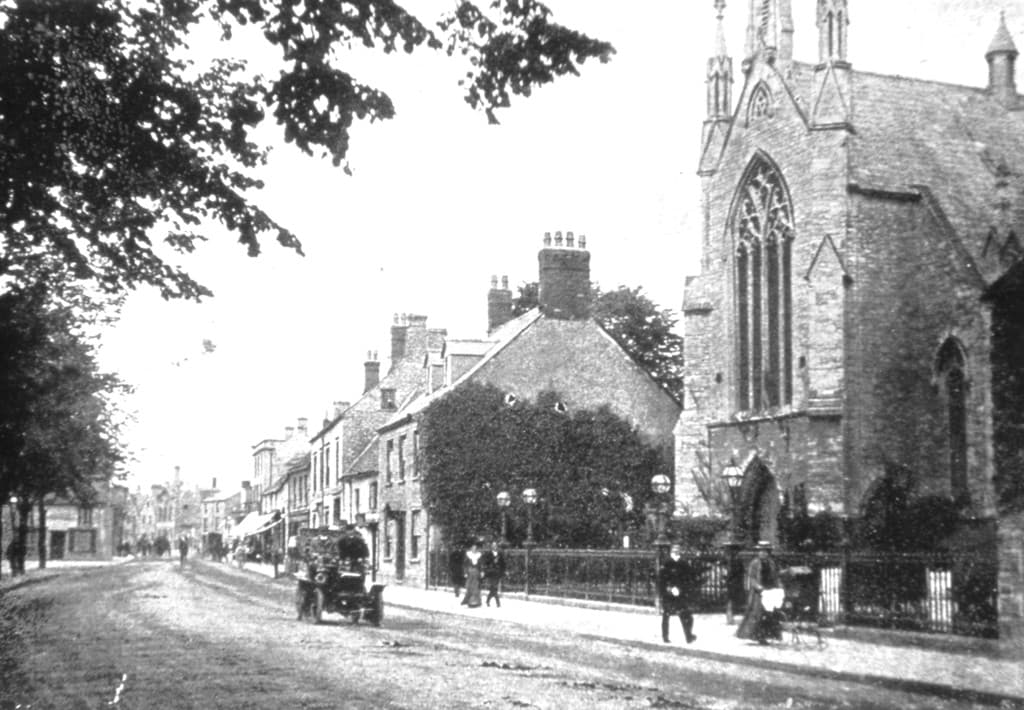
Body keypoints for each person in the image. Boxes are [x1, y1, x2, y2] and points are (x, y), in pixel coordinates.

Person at [736, 540, 782, 644]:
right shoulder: (755, 563)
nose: (763, 553)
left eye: (765, 551)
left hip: (770, 590)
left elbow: (775, 576)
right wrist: (759, 587)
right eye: (761, 551)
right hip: (759, 593)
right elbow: (752, 578)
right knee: (758, 614)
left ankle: (767, 635)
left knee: (770, 613)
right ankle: (757, 636)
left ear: (768, 552)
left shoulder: (771, 563)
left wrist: (778, 586)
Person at [658, 543, 698, 643]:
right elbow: (661, 579)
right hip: (668, 593)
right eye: (675, 549)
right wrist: (667, 589)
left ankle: (688, 636)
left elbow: (688, 578)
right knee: (666, 615)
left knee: (685, 615)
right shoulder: (666, 562)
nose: (676, 550)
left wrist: (682, 589)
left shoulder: (683, 563)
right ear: (671, 550)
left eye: (678, 549)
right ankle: (665, 637)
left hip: (680, 592)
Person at [481, 541, 506, 608]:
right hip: (491, 572)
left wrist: (503, 571)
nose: (495, 547)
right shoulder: (489, 554)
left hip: (497, 573)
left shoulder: (500, 554)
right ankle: (498, 603)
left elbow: (503, 564)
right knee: (494, 587)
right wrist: (490, 565)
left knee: (493, 588)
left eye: (496, 545)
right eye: (493, 545)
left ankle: (488, 600)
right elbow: (486, 563)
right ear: (492, 546)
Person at [460, 540, 483, 608]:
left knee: (476, 587)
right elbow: (465, 564)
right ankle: (468, 600)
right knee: (469, 587)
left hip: (476, 572)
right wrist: (465, 572)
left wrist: (482, 571)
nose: (474, 549)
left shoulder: (479, 555)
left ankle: (475, 602)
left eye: (475, 548)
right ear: (471, 548)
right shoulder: (468, 555)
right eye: (473, 548)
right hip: (470, 572)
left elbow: (481, 565)